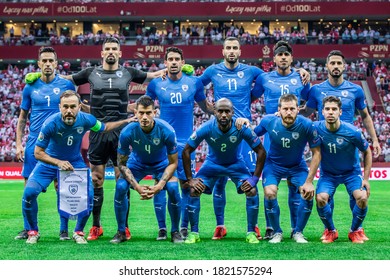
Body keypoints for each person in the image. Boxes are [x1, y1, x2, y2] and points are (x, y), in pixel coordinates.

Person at [197, 36, 309, 240]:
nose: (231, 51)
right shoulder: (213, 70)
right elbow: (196, 85)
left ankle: (260, 226)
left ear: (240, 51)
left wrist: (300, 71)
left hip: (246, 131)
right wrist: (208, 108)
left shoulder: (253, 72)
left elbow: (272, 80)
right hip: (222, 128)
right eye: (228, 48)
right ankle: (220, 225)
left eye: (235, 48)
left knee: (253, 178)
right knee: (220, 180)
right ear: (223, 51)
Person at [64, 37, 166, 241]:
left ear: (120, 53)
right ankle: (96, 226)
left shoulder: (128, 72)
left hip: (121, 132)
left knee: (123, 179)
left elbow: (153, 75)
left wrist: (175, 71)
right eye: (107, 49)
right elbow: (66, 80)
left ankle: (124, 227)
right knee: (97, 179)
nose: (111, 52)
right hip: (97, 131)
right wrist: (40, 77)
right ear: (102, 53)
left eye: (114, 49)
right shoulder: (90, 72)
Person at [21, 90, 132, 244]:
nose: (69, 111)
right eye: (65, 107)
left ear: (79, 107)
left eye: (73, 106)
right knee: (29, 193)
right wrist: (58, 163)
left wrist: (126, 121)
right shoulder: (50, 123)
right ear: (59, 107)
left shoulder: (87, 120)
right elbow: (38, 153)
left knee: (90, 194)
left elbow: (105, 128)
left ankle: (78, 231)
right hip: (48, 163)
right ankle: (33, 231)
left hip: (75, 163)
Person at [303, 50, 380, 240]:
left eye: (339, 63)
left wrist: (375, 139)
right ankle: (330, 229)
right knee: (323, 197)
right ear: (327, 66)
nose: (336, 66)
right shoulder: (316, 90)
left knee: (359, 196)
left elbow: (365, 116)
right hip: (326, 148)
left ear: (344, 66)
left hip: (349, 145)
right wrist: (286, 114)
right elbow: (307, 112)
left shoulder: (356, 90)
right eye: (332, 63)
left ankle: (356, 229)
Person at [145, 47, 214, 240]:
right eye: (170, 59)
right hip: (163, 144)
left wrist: (226, 114)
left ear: (183, 62)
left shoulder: (194, 83)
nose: (174, 62)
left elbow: (205, 107)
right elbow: (143, 108)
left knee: (186, 186)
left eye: (177, 59)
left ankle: (183, 227)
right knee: (161, 184)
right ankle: (162, 228)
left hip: (187, 145)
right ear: (165, 63)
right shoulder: (156, 84)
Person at [182, 98, 266, 244]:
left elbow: (261, 151)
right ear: (214, 112)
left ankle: (251, 232)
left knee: (252, 190)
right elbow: (186, 150)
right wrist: (191, 179)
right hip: (212, 164)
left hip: (235, 164)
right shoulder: (206, 127)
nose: (224, 115)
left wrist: (254, 179)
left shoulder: (241, 128)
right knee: (194, 190)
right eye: (220, 111)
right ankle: (194, 233)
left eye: (227, 111)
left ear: (233, 113)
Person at [251, 41, 311, 239]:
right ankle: (271, 228)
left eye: (287, 54)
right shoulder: (264, 78)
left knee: (296, 189)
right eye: (280, 54)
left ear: (291, 58)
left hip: (292, 132)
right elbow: (249, 97)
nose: (283, 57)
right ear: (274, 58)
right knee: (270, 187)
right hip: (271, 134)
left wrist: (301, 119)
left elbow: (311, 102)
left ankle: (296, 230)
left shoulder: (301, 78)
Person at [15, 46, 76, 241]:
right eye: (45, 61)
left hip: (59, 145)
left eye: (51, 61)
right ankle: (29, 228)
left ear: (56, 64)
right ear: (39, 64)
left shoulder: (66, 86)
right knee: (29, 189)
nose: (48, 64)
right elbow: (22, 117)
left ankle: (64, 230)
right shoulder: (30, 87)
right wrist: (18, 144)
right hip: (35, 144)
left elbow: (75, 113)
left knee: (63, 188)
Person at [110, 95, 183, 244]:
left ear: (155, 113)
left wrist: (159, 185)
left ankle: (175, 231)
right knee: (121, 186)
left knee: (174, 188)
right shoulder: (127, 132)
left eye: (148, 113)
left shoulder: (167, 131)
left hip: (162, 164)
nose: (144, 117)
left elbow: (173, 163)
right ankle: (121, 231)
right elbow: (121, 163)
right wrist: (136, 186)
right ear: (135, 113)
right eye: (141, 113)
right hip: (137, 164)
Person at [254, 94, 321, 243]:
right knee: (269, 192)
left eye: (292, 108)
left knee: (307, 192)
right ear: (279, 110)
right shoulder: (269, 121)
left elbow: (317, 153)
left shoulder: (307, 125)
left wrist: (309, 181)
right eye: (285, 109)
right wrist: (243, 122)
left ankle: (298, 232)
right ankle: (276, 232)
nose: (289, 112)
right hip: (274, 165)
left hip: (297, 166)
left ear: (298, 109)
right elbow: (252, 133)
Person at [314, 96, 372, 243]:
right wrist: (277, 115)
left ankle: (355, 231)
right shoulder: (315, 127)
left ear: (340, 112)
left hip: (351, 173)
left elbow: (367, 151)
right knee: (320, 198)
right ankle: (331, 230)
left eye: (334, 109)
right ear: (322, 112)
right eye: (327, 109)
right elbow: (297, 123)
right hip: (328, 174)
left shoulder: (353, 132)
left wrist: (365, 179)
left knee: (362, 198)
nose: (330, 112)